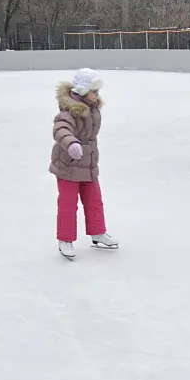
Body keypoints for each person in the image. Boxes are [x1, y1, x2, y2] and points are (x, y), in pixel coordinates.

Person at [49, 68, 118, 260]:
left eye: (97, 92)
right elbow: (60, 128)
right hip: (69, 164)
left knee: (94, 201)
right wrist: (70, 142)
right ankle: (65, 239)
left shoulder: (92, 107)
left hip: (88, 163)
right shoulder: (70, 110)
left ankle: (97, 232)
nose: (97, 95)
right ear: (81, 90)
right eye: (93, 91)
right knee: (68, 205)